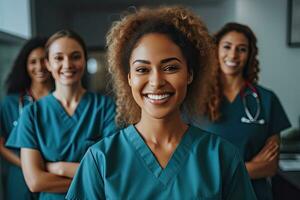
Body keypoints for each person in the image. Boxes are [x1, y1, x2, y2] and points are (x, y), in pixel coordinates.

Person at [66, 6, 257, 200]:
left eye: (171, 67)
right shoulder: (100, 159)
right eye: (142, 69)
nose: (156, 81)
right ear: (129, 78)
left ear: (189, 74)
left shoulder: (222, 157)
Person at [6, 30, 117, 200]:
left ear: (84, 60)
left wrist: (59, 168)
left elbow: (111, 170)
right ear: (48, 64)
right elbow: (35, 181)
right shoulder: (32, 113)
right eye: (58, 58)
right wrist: (90, 179)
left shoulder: (105, 107)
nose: (67, 64)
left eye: (75, 56)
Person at [188, 22, 291, 200]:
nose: (233, 55)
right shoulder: (194, 99)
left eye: (241, 49)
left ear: (249, 55)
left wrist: (217, 173)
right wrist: (249, 168)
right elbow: (189, 165)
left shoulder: (266, 99)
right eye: (227, 47)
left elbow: (269, 166)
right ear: (216, 50)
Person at [0, 37, 53, 200]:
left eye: (44, 60)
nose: (39, 67)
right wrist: (30, 166)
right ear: (25, 66)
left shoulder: (64, 102)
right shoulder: (10, 103)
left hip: (55, 177)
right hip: (20, 178)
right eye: (33, 62)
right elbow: (1, 144)